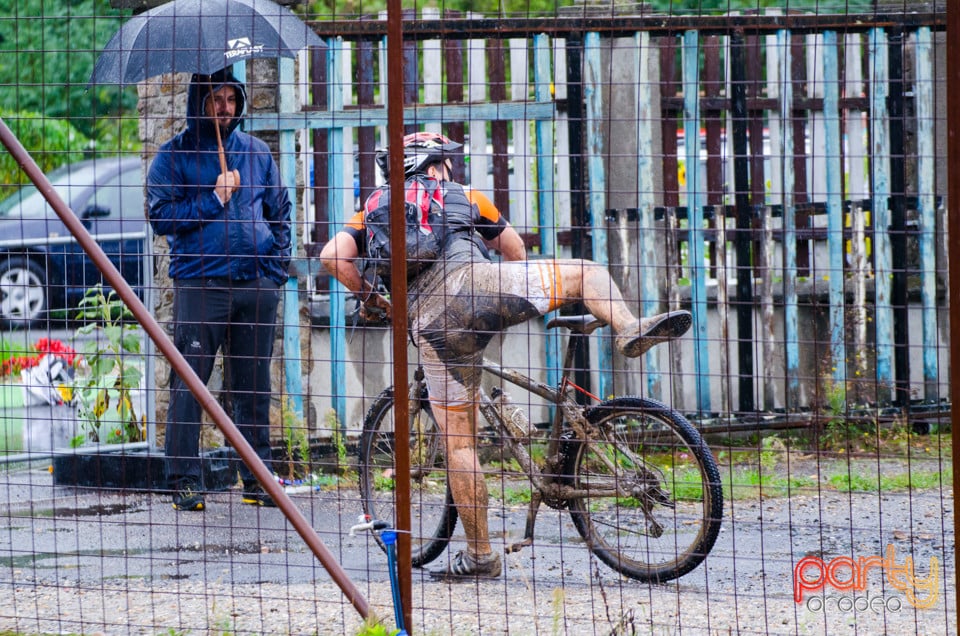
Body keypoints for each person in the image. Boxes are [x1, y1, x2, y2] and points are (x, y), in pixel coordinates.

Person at [320, 132, 690, 579]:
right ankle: (628, 327)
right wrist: (516, 300)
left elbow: (332, 258)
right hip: (480, 291)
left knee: (459, 444)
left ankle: (480, 557)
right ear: (438, 165)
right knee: (587, 272)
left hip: (432, 325)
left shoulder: (372, 209)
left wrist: (376, 300)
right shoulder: (465, 196)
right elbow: (513, 249)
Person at [147, 68, 292, 511]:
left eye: (231, 98)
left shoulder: (257, 153)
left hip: (256, 284)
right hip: (201, 282)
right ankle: (184, 480)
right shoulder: (172, 157)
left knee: (253, 387)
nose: (225, 107)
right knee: (190, 383)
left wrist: (274, 268)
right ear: (199, 102)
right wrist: (214, 197)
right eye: (216, 98)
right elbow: (161, 216)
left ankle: (257, 478)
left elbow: (280, 210)